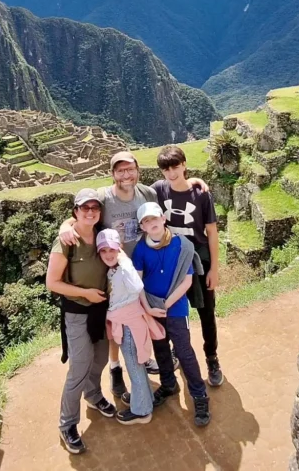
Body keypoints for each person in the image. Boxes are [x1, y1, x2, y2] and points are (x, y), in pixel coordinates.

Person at [57, 150, 210, 402]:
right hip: (113, 269)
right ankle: (116, 369)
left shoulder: (147, 193)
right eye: (120, 170)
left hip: (144, 267)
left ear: (138, 170)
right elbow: (84, 212)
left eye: (130, 169)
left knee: (141, 318)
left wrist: (192, 180)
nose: (126, 175)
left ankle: (144, 360)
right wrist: (66, 226)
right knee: (116, 321)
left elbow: (173, 187)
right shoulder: (104, 197)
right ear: (112, 174)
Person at [45, 188, 118, 455]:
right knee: (79, 367)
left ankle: (94, 395)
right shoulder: (66, 241)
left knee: (100, 358)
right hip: (77, 311)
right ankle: (67, 424)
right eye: (84, 208)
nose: (90, 212)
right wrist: (85, 293)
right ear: (75, 211)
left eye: (94, 208)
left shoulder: (102, 235)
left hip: (101, 310)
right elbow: (52, 283)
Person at [132, 201, 211, 427]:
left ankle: (199, 395)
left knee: (184, 351)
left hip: (175, 308)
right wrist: (148, 308)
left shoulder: (181, 245)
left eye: (154, 218)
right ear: (143, 227)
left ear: (163, 219)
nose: (152, 223)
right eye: (146, 221)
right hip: (152, 307)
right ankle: (168, 384)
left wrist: (166, 304)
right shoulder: (141, 249)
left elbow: (187, 280)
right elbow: (137, 283)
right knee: (160, 348)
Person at [154, 145, 224, 387]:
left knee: (207, 313)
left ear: (184, 164)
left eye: (175, 167)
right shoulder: (158, 190)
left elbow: (212, 232)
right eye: (166, 169)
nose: (171, 173)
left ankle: (211, 357)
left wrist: (214, 268)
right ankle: (178, 350)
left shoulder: (201, 195)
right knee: (174, 312)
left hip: (199, 261)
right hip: (171, 264)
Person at [98, 228, 164, 425]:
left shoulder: (123, 267)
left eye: (112, 249)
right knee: (136, 365)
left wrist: (125, 261)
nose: (108, 254)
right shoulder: (115, 268)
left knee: (134, 367)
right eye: (103, 251)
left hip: (129, 325)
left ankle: (142, 411)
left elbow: (136, 287)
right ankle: (144, 398)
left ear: (119, 249)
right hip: (127, 322)